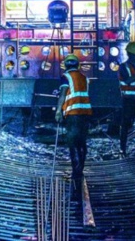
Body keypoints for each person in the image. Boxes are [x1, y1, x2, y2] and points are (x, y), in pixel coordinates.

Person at [55, 54, 92, 195]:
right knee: (82, 142)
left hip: (73, 113)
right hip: (85, 112)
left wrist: (58, 111)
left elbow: (63, 95)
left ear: (66, 65)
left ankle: (76, 171)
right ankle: (80, 169)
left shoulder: (66, 77)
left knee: (73, 142)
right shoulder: (84, 78)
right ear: (77, 65)